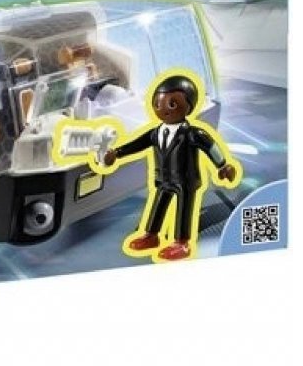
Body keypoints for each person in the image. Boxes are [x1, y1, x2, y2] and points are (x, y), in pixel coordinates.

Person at [101, 74, 239, 261]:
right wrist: (118, 153)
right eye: (158, 103)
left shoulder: (192, 133)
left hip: (185, 179)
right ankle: (151, 235)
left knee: (184, 209)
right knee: (158, 205)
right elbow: (137, 144)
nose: (163, 109)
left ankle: (182, 242)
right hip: (163, 178)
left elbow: (210, 147)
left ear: (189, 106)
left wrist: (222, 166)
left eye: (172, 104)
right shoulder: (155, 133)